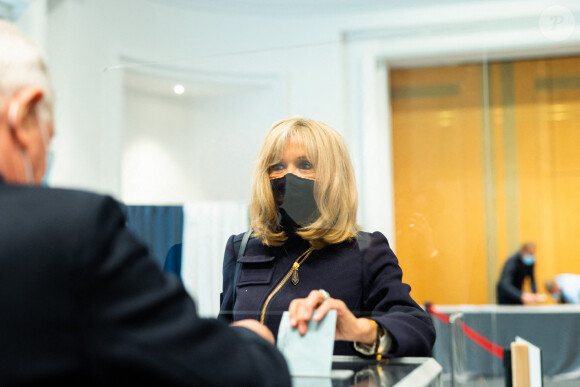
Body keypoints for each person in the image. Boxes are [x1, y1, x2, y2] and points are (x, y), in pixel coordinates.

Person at [0, 20, 290, 386]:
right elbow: (222, 372)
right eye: (48, 138)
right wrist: (253, 341)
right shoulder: (75, 231)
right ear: (24, 116)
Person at [219, 118, 436, 358]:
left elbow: (418, 328)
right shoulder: (242, 249)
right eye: (277, 165)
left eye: (304, 164)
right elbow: (224, 333)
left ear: (333, 176)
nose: (288, 175)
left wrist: (362, 330)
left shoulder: (366, 251)